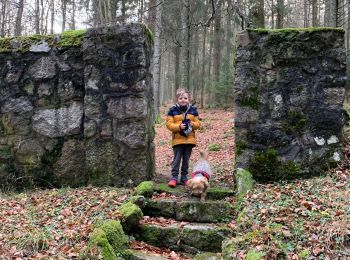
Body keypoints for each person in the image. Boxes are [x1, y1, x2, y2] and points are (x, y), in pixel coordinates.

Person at [166, 88, 202, 187]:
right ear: (177, 99)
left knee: (186, 159)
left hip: (190, 140)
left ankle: (184, 177)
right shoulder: (172, 110)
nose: (183, 100)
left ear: (189, 99)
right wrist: (178, 127)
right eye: (181, 98)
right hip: (177, 140)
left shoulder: (193, 110)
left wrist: (192, 123)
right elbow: (169, 125)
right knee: (176, 159)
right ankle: (174, 177)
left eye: (185, 98)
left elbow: (198, 124)